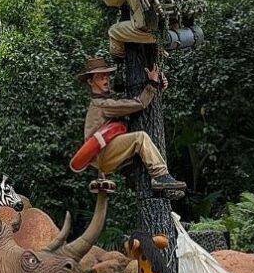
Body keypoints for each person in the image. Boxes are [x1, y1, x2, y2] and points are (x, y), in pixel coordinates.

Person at [78, 57, 185, 195]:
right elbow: (139, 104)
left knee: (138, 145)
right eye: (100, 77)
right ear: (90, 81)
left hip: (106, 156)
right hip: (102, 155)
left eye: (106, 75)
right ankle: (161, 176)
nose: (106, 79)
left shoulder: (106, 101)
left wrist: (158, 87)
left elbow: (130, 106)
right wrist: (152, 83)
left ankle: (161, 188)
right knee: (140, 138)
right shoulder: (103, 105)